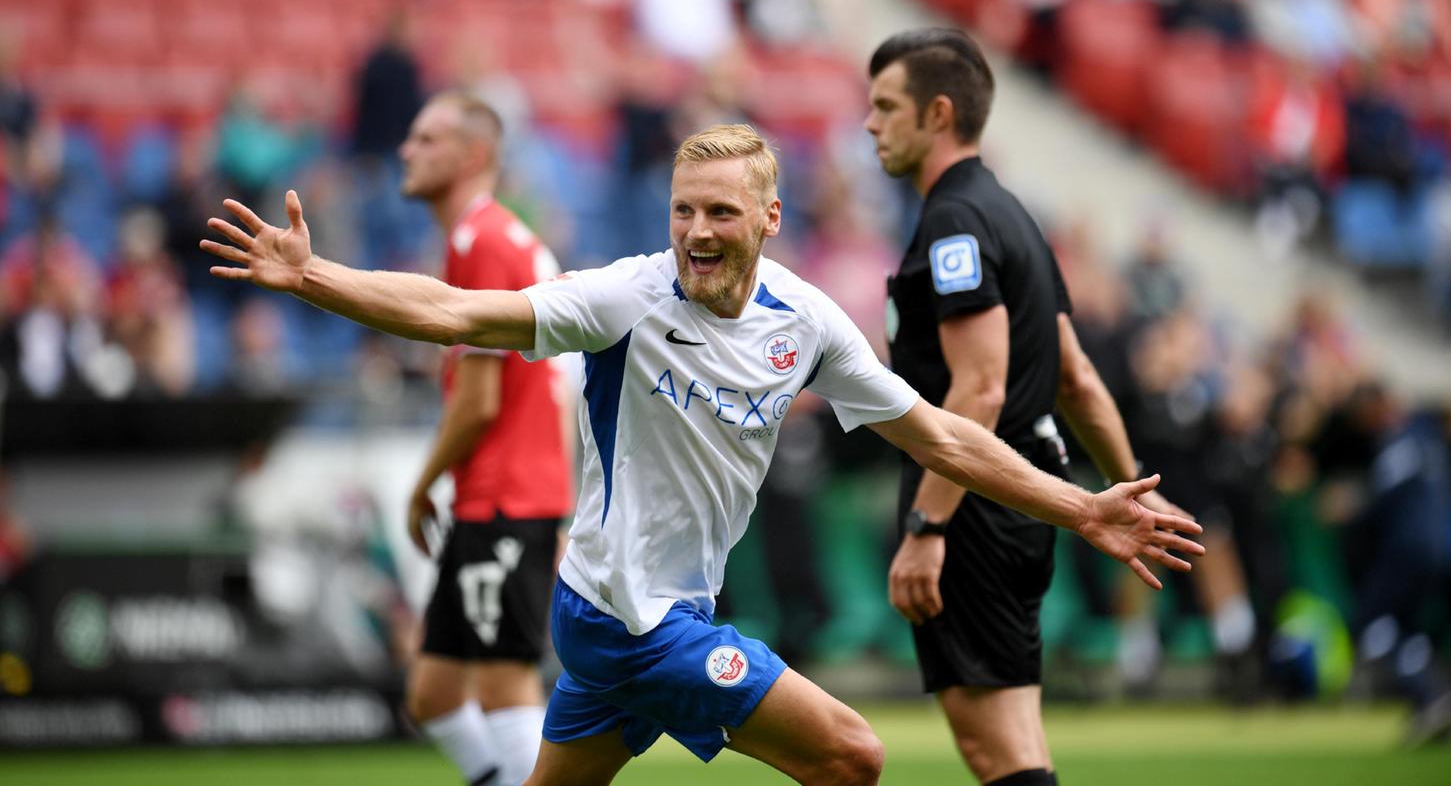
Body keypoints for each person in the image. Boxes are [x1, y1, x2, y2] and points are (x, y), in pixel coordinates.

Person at [200, 123, 1203, 786]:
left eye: (719, 211)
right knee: (852, 758)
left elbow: (940, 433)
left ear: (768, 219)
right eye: (683, 209)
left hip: (619, 615)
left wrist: (1082, 508)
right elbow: (456, 310)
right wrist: (315, 275)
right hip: (632, 622)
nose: (695, 230)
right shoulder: (626, 299)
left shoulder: (803, 322)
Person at [866, 28, 1195, 786]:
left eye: (886, 106)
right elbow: (1073, 377)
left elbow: (977, 389)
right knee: (1010, 739)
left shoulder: (953, 222)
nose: (869, 123)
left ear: (938, 113)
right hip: (1021, 489)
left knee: (995, 750)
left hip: (980, 498)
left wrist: (927, 525)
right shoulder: (1012, 214)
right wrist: (1134, 484)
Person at [398, 91, 574, 786]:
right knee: (433, 694)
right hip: (512, 494)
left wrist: (421, 485)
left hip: (503, 496)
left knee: (505, 685)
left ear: (474, 155)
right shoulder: (498, 238)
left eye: (426, 139)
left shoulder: (484, 242)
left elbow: (477, 402)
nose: (406, 150)